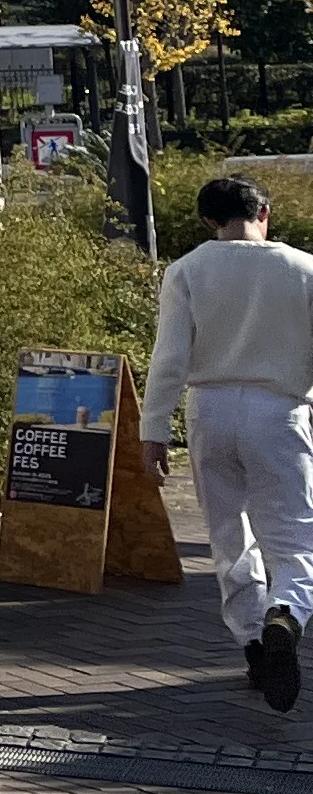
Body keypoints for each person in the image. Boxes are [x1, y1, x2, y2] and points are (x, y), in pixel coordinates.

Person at [140, 174, 313, 712]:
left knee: (228, 535)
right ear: (265, 212)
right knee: (294, 535)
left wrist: (153, 431)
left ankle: (253, 643)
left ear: (209, 222)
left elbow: (168, 358)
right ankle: (287, 611)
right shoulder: (305, 270)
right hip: (281, 410)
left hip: (209, 410)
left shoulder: (187, 270)